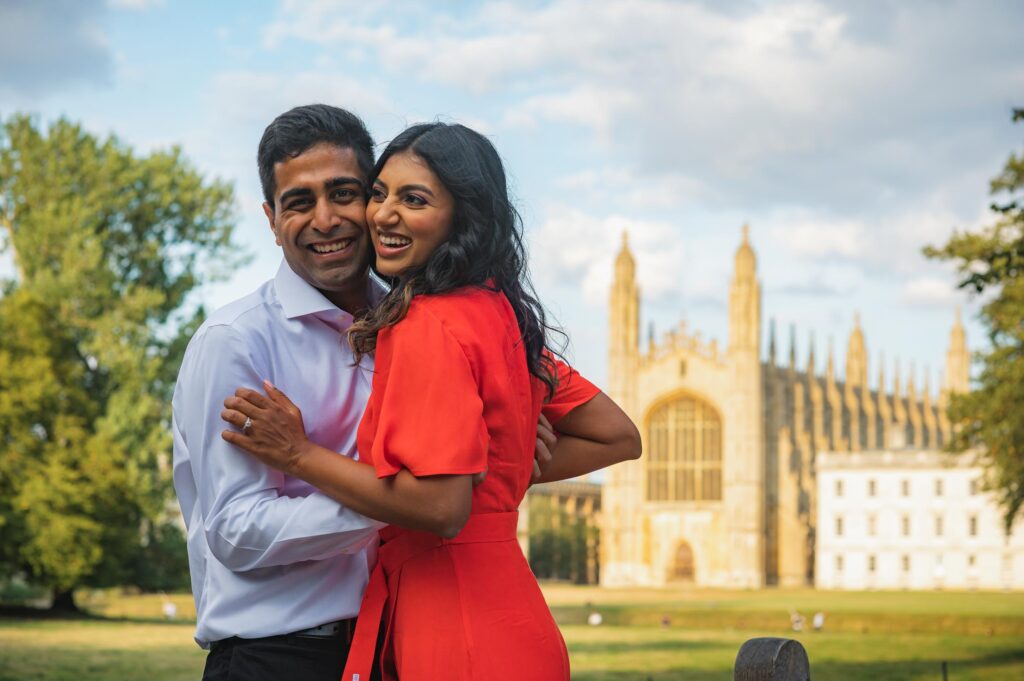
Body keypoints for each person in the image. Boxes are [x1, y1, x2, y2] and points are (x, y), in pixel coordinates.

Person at [221, 122, 642, 680]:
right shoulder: (501, 314)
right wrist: (493, 466)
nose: (383, 215)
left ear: (460, 217)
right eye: (379, 193)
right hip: (510, 614)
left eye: (413, 199)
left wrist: (299, 455)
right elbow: (618, 434)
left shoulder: (425, 324)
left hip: (454, 621)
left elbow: (441, 509)